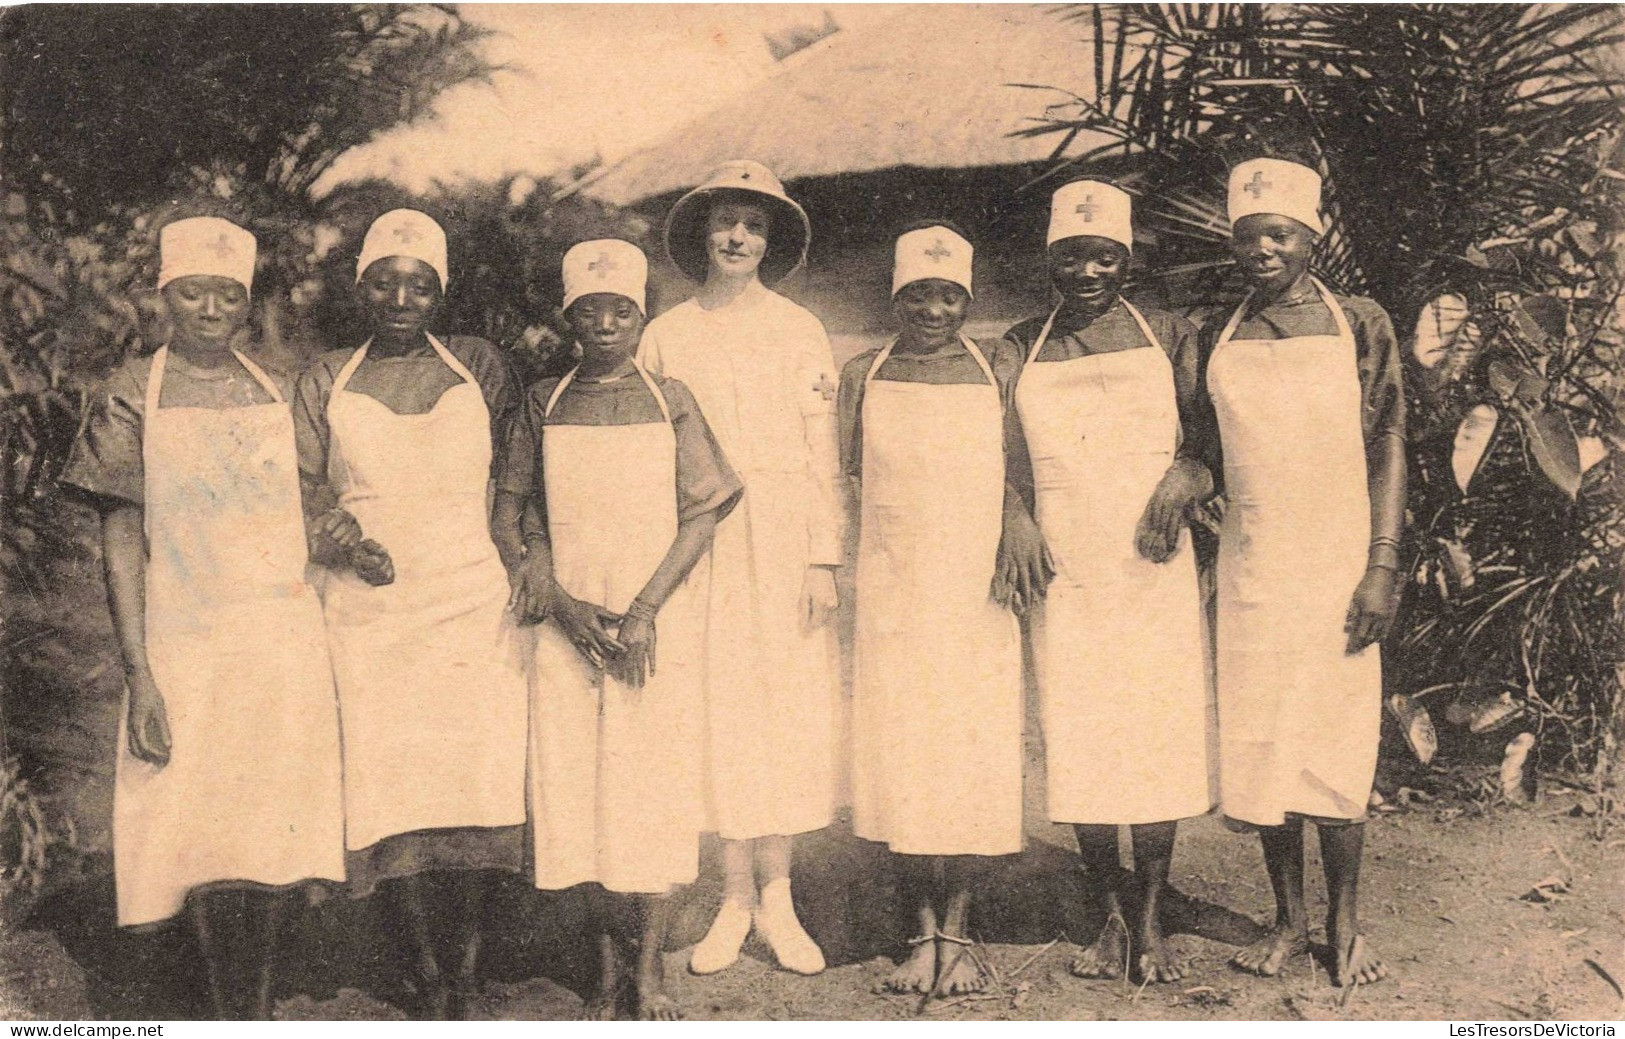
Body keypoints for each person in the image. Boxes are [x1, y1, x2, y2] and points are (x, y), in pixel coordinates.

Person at [61, 215, 346, 1019]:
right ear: (164, 297)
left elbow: (313, 504)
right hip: (185, 639)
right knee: (193, 829)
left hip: (279, 637)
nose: (211, 310)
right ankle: (216, 1009)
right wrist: (139, 670)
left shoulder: (276, 389)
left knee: (267, 836)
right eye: (193, 292)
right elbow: (119, 535)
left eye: (228, 296)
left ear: (247, 305)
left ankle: (246, 1011)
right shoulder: (130, 392)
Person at [492, 240, 743, 1020]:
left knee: (651, 795)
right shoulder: (543, 398)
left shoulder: (671, 396)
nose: (604, 323)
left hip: (648, 625)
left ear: (642, 315)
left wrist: (638, 614)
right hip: (566, 627)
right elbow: (510, 512)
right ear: (569, 317)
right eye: (588, 310)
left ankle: (650, 972)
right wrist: (564, 606)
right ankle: (603, 974)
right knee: (583, 797)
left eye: (620, 310)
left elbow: (702, 511)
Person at [293, 209, 528, 1018]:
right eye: (385, 281)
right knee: (391, 782)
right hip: (371, 604)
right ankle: (419, 966)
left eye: (419, 283)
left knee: (471, 777)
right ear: (361, 289)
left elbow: (517, 472)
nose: (401, 296)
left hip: (469, 596)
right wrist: (341, 537)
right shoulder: (325, 376)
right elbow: (296, 486)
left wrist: (517, 553)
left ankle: (464, 965)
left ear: (440, 292)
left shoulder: (479, 366)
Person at [1198, 157, 1405, 987]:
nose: (1260, 250)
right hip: (1250, 566)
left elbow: (1387, 441)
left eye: (1278, 235)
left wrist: (1381, 565)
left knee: (1333, 740)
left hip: (1336, 563)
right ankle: (1285, 920)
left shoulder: (1357, 321)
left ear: (1311, 240)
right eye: (1247, 237)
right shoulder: (1217, 330)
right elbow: (1200, 446)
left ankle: (1343, 924)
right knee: (1263, 748)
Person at [1003, 180, 1217, 984]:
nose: (1085, 271)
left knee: (1153, 727)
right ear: (1049, 259)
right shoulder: (1020, 343)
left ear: (1125, 259)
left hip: (1151, 554)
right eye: (1069, 256)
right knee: (1082, 726)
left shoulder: (1168, 333)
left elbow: (1209, 439)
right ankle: (1108, 913)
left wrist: (1181, 479)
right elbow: (995, 455)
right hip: (1065, 559)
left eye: (1102, 257)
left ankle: (1154, 914)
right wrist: (1015, 515)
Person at [637, 160, 842, 977]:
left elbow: (820, 450)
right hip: (699, 543)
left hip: (783, 536)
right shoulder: (666, 332)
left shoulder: (798, 328)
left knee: (784, 704)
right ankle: (731, 894)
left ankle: (780, 896)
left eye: (753, 226)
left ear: (770, 240)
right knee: (716, 704)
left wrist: (822, 555)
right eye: (725, 222)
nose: (736, 238)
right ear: (702, 232)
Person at [839, 224, 1030, 999]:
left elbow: (1019, 464)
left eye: (948, 295)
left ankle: (960, 930)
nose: (933, 308)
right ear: (895, 298)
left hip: (976, 593)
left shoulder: (995, 367)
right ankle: (921, 931)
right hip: (894, 590)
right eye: (918, 294)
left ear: (967, 300)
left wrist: (1015, 517)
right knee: (907, 760)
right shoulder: (862, 371)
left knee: (970, 758)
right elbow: (845, 476)